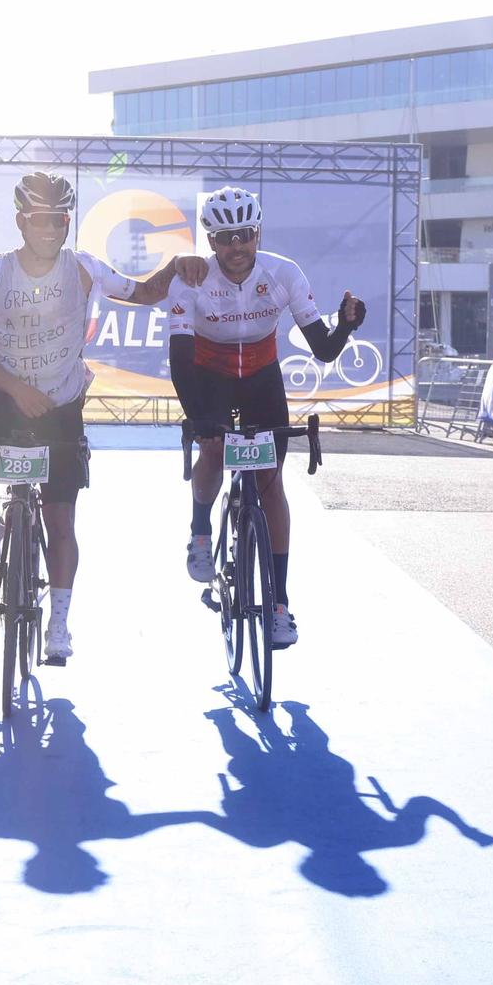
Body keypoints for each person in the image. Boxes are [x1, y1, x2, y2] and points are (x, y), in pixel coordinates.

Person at [0, 171, 178, 663]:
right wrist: (15, 388)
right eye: (40, 220)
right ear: (22, 220)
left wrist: (181, 266)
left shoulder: (84, 268)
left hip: (61, 409)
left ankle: (58, 625)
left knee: (60, 521)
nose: (51, 229)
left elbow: (145, 294)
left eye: (60, 220)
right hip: (5, 401)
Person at [167, 186, 366, 649]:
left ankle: (279, 605)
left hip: (261, 377)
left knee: (271, 483)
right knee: (214, 450)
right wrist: (199, 420)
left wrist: (347, 325)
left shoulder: (284, 273)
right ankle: (200, 531)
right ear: (211, 241)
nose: (236, 247)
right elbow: (179, 360)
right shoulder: (191, 280)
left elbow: (323, 350)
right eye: (224, 238)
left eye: (244, 235)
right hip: (207, 374)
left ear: (258, 233)